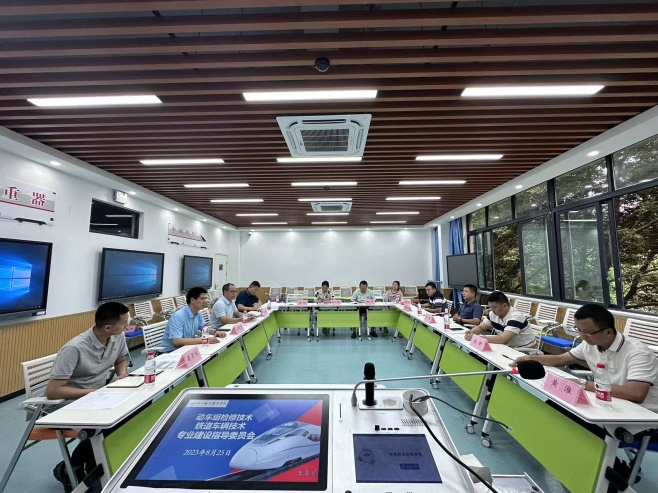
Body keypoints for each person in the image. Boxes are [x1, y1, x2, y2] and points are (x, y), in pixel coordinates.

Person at [46, 302, 131, 491]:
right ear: (108, 327)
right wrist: (92, 392)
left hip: (98, 398)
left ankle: (80, 465)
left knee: (134, 410)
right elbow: (53, 391)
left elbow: (121, 359)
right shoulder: (75, 348)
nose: (128, 326)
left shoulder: (117, 337)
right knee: (110, 423)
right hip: (68, 404)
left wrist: (121, 374)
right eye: (124, 323)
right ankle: (75, 468)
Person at [512, 304, 658, 410]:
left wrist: (582, 384)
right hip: (607, 402)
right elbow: (561, 359)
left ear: (608, 332)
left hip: (641, 413)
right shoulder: (590, 344)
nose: (582, 336)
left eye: (587, 332)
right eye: (579, 330)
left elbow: (636, 394)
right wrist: (530, 359)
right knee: (553, 407)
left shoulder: (638, 353)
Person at [161, 287, 225, 353]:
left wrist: (215, 332)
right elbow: (176, 341)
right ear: (192, 300)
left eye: (205, 298)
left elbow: (203, 327)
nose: (205, 301)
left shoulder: (197, 313)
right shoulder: (178, 316)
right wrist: (204, 340)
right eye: (202, 298)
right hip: (171, 353)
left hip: (186, 349)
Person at [464, 291, 536, 348]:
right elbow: (481, 327)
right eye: (490, 307)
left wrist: (478, 338)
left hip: (525, 350)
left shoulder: (516, 317)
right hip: (508, 348)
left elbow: (504, 339)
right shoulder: (493, 314)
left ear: (505, 305)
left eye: (494, 307)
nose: (492, 310)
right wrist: (472, 332)